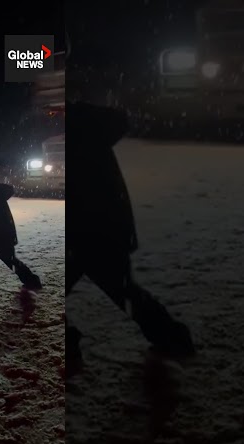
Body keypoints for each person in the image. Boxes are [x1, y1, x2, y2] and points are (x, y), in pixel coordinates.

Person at [65, 100, 195, 370]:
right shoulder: (86, 134)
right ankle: (172, 337)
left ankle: (172, 337)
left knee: (124, 292)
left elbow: (82, 196)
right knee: (125, 292)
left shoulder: (79, 139)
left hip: (93, 235)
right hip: (99, 232)